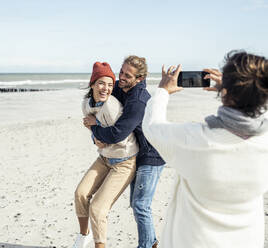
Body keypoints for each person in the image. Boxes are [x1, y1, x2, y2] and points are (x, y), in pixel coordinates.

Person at [142, 51, 268, 248]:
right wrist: (231, 91)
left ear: (226, 90)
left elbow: (152, 126)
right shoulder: (264, 143)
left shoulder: (196, 140)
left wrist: (163, 91)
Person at [84, 55, 165, 248]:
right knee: (137, 204)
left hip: (151, 155)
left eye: (127, 75)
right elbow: (102, 111)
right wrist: (94, 134)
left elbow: (117, 133)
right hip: (136, 152)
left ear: (139, 79)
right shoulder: (121, 87)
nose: (122, 77)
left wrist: (95, 127)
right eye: (121, 72)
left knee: (140, 205)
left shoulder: (138, 100)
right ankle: (152, 243)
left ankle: (145, 246)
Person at [72, 62, 139, 248]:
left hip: (125, 161)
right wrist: (95, 137)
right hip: (104, 158)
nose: (106, 89)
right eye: (101, 83)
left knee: (98, 209)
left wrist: (97, 130)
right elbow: (93, 132)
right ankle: (83, 236)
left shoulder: (111, 107)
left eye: (110, 85)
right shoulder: (86, 104)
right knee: (80, 194)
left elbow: (121, 138)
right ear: (92, 84)